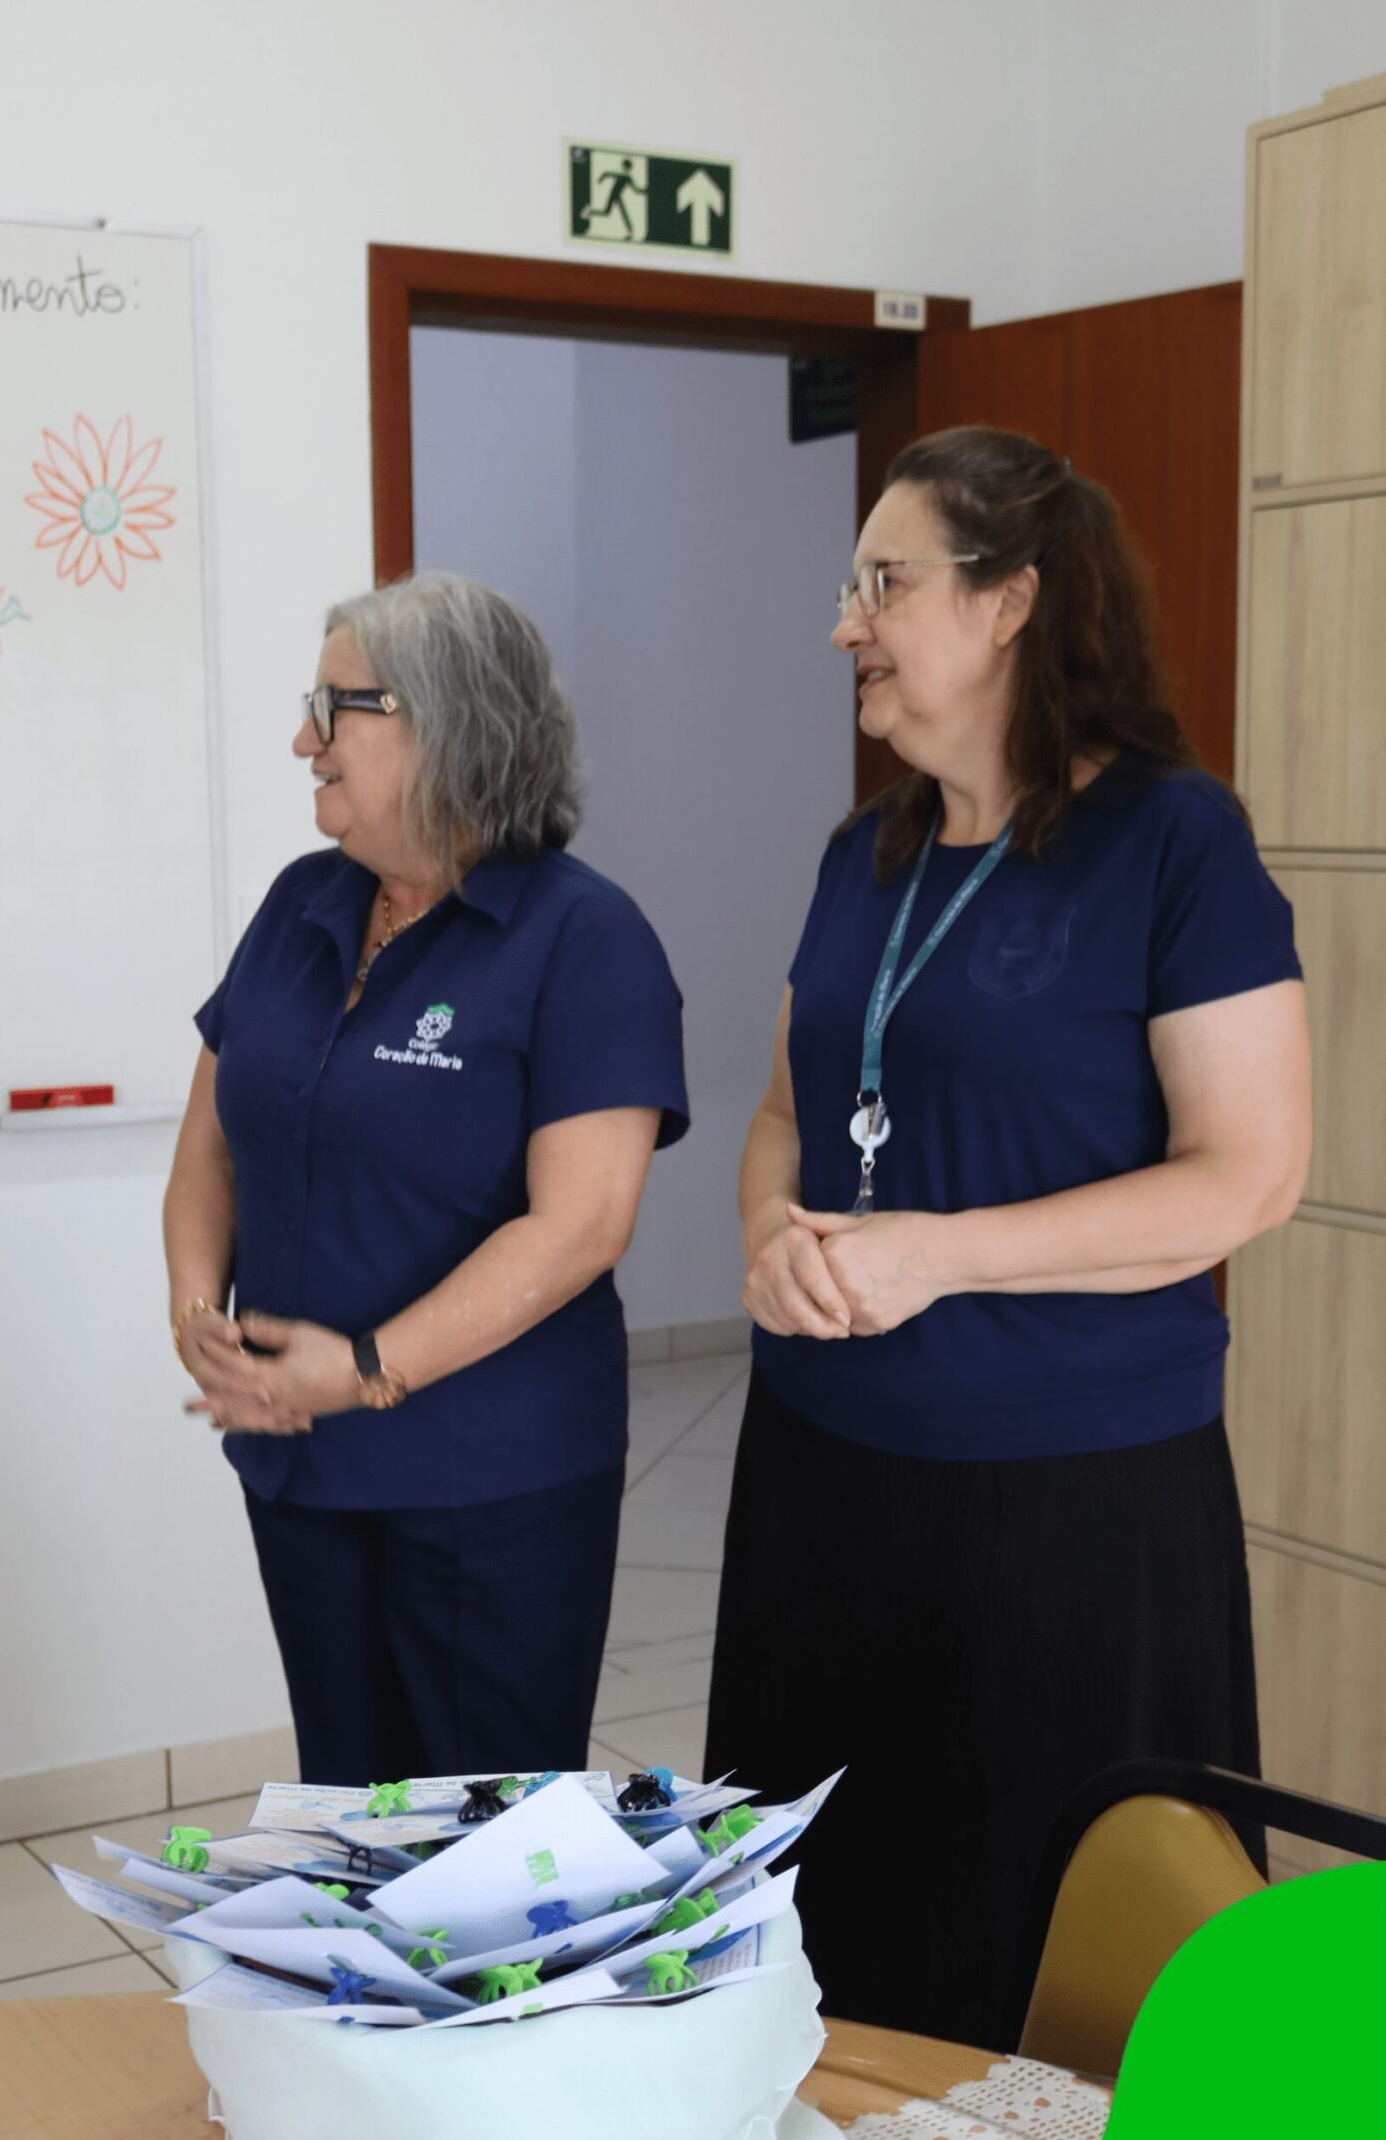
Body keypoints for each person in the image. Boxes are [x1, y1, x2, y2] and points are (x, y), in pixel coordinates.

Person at [704, 427, 1310, 2050]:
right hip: (821, 1481)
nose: (844, 623)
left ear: (1010, 603)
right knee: (829, 1942)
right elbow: (781, 1116)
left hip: (1068, 1508)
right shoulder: (862, 853)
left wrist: (937, 1253)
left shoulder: (1174, 841)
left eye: (882, 584)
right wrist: (769, 1231)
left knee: (1047, 1954)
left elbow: (1246, 1177)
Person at [165, 572, 687, 1783]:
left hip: (490, 1481)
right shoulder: (301, 903)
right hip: (301, 1464)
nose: (304, 741)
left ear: (448, 722)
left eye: (334, 708)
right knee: (352, 1813)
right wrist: (199, 1315)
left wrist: (363, 1369)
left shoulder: (585, 938)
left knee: (481, 1837)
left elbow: (581, 1226)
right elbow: (210, 1143)